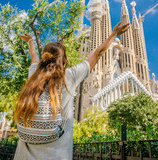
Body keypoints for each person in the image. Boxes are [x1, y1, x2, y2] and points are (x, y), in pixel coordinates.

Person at [14, 21, 130, 160]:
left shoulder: (34, 74)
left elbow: (34, 57)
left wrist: (31, 41)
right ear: (64, 60)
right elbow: (97, 54)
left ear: (44, 59)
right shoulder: (70, 76)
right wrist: (113, 34)